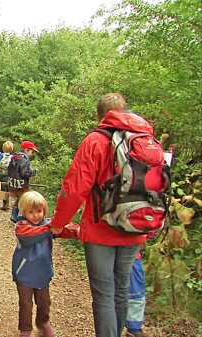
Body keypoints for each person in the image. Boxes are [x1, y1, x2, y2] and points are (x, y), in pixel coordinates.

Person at [49, 93, 155, 337]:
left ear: (100, 116)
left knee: (105, 294)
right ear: (126, 110)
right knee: (121, 290)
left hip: (100, 230)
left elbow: (74, 188)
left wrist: (58, 223)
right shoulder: (145, 139)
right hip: (135, 225)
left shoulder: (95, 140)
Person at [12, 191, 78, 337]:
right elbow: (29, 237)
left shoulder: (47, 224)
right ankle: (25, 330)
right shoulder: (21, 226)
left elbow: (64, 230)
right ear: (23, 212)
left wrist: (77, 229)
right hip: (24, 273)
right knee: (25, 304)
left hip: (42, 272)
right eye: (31, 212)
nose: (36, 215)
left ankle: (43, 323)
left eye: (39, 211)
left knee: (44, 302)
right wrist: (50, 228)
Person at [8, 140, 39, 221]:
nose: (32, 154)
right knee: (25, 200)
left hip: (12, 183)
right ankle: (20, 216)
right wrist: (33, 172)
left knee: (20, 199)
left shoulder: (14, 157)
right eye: (32, 152)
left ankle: (15, 215)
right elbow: (24, 173)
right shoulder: (24, 160)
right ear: (26, 150)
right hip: (21, 185)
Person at [0, 140, 14, 210]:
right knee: (8, 188)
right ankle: (8, 202)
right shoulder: (13, 157)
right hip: (10, 175)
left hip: (2, 175)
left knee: (3, 189)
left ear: (3, 148)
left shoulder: (0, 156)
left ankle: (5, 203)